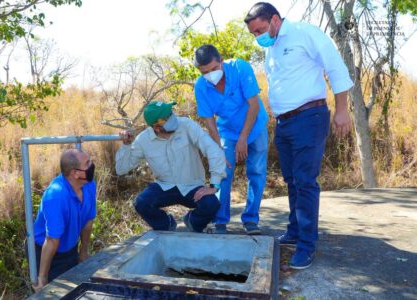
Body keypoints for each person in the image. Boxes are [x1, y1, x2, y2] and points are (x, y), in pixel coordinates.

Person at [245, 2, 353, 269]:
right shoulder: (272, 48)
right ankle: (294, 231)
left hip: (309, 117)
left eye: (259, 30)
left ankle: (306, 245)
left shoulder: (306, 33)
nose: (258, 37)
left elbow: (336, 67)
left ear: (274, 20)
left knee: (305, 181)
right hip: (284, 124)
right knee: (292, 180)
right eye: (253, 34)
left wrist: (342, 110)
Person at [115, 100, 226, 233]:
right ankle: (166, 225)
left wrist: (214, 185)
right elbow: (121, 169)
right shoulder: (143, 140)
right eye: (167, 118)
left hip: (192, 186)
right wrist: (126, 146)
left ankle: (193, 222)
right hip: (164, 186)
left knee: (211, 204)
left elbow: (212, 149)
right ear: (156, 127)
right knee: (142, 203)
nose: (173, 118)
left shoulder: (187, 125)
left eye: (171, 113)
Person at [193, 44, 269, 235]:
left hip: (255, 127)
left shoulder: (240, 68)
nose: (211, 74)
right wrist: (218, 149)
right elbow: (209, 120)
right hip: (227, 132)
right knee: (223, 172)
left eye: (214, 69)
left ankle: (251, 219)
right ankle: (220, 221)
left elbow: (253, 105)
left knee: (257, 173)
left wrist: (243, 138)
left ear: (221, 60)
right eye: (205, 72)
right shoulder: (201, 86)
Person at [31, 149, 96, 290]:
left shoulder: (89, 184)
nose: (92, 165)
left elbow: (88, 221)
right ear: (75, 173)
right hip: (47, 252)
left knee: (75, 289)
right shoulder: (56, 196)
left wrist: (83, 252)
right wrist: (42, 278)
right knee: (53, 292)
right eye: (87, 163)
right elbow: (52, 241)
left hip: (69, 248)